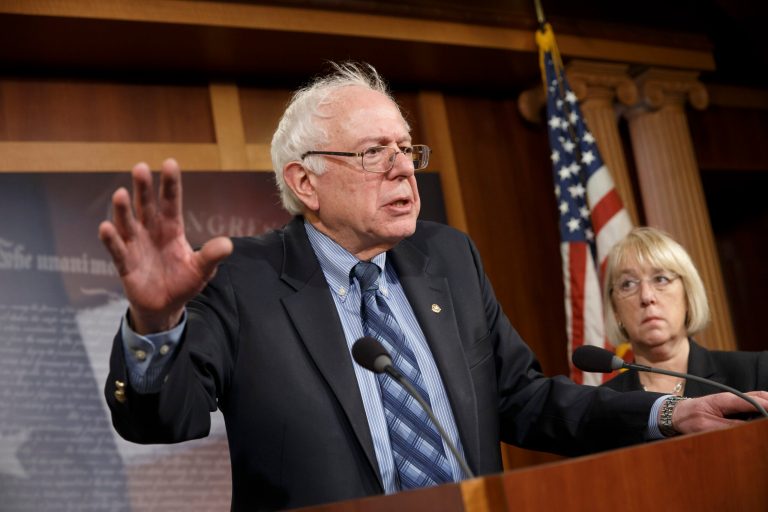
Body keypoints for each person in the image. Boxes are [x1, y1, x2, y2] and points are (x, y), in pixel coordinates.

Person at [98, 62, 768, 511]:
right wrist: (154, 326)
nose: (403, 170)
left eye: (406, 149)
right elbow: (162, 420)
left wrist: (666, 412)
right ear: (305, 183)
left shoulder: (448, 255)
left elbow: (524, 400)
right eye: (373, 154)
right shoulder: (242, 277)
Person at [601, 226, 768, 396]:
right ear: (615, 310)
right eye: (628, 284)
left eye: (661, 279)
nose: (646, 296)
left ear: (687, 296)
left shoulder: (755, 373)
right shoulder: (602, 407)